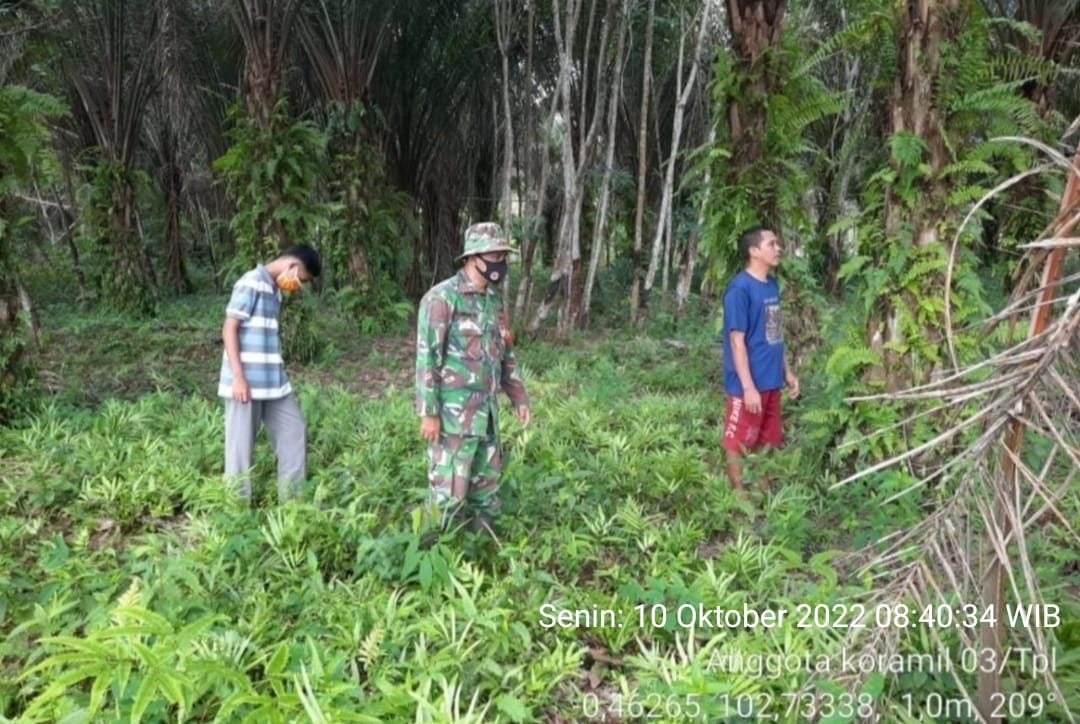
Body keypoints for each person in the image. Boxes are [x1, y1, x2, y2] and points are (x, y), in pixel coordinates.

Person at [415, 222, 531, 535]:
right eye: (495, 255)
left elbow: (505, 353)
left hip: (487, 415)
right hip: (454, 417)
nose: (501, 264)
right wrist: (429, 413)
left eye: (504, 257)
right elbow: (428, 359)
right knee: (447, 491)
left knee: (486, 489)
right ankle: (431, 550)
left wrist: (518, 396)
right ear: (473, 257)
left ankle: (483, 550)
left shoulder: (495, 301)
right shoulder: (441, 299)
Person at [218, 244, 322, 502]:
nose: (298, 286)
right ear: (291, 266)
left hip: (274, 384)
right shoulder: (251, 282)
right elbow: (229, 329)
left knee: (294, 431)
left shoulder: (274, 290)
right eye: (302, 279)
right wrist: (239, 377)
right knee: (240, 451)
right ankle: (236, 511)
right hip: (245, 385)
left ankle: (293, 505)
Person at [721, 225, 800, 492]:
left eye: (777, 244)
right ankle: (740, 496)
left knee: (768, 437)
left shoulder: (772, 285)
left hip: (771, 379)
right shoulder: (739, 289)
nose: (779, 249)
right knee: (738, 440)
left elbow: (775, 333)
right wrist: (748, 387)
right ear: (754, 251)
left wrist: (787, 372)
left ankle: (762, 487)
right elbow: (736, 341)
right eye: (772, 244)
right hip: (747, 383)